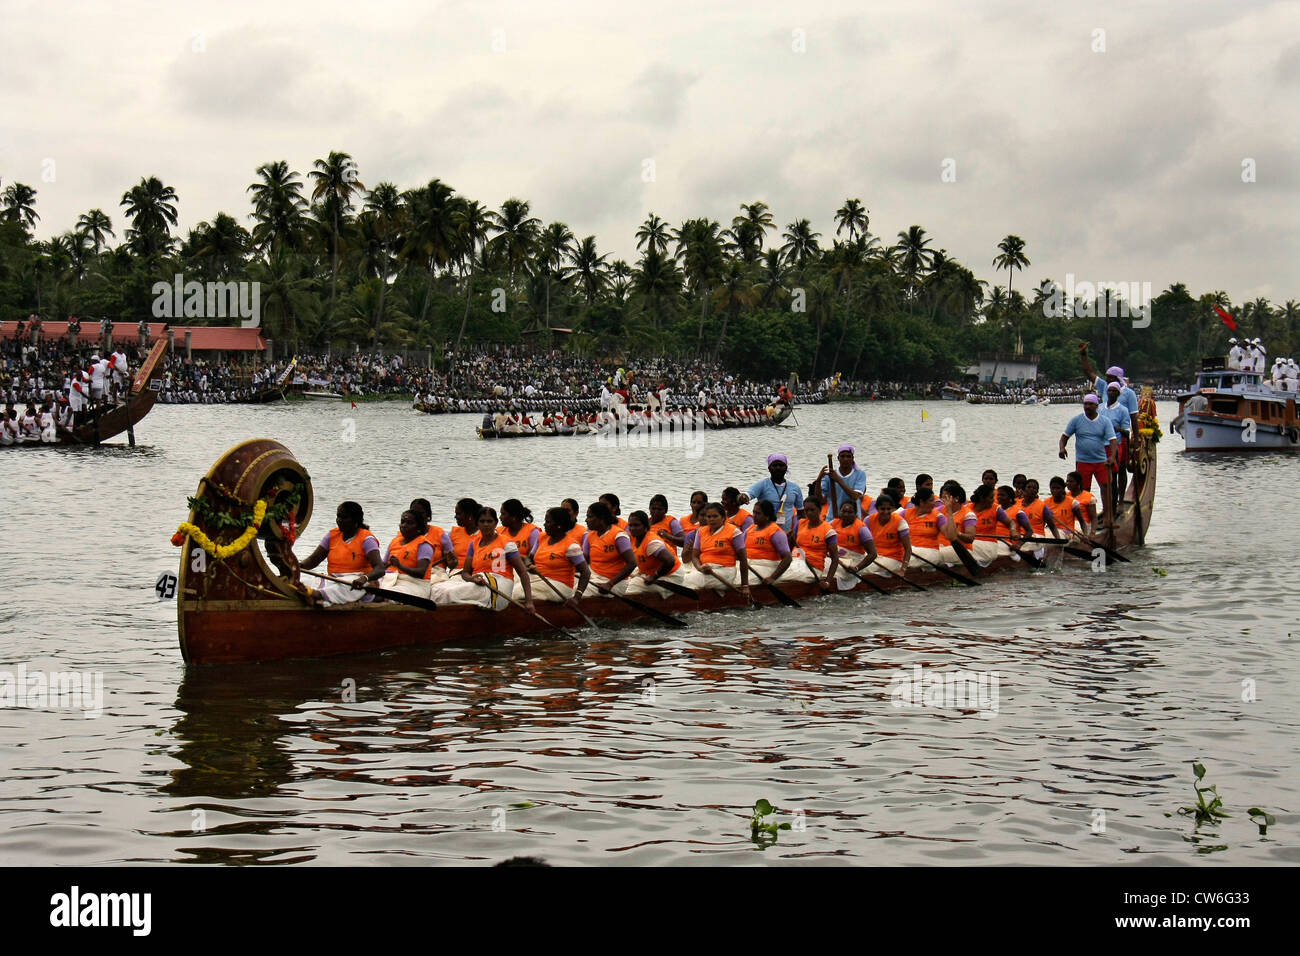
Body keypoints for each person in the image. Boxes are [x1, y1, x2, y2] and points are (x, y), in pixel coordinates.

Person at [430, 506, 535, 611]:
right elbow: (466, 573)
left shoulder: (507, 544)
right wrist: (472, 578)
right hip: (479, 583)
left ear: (495, 523)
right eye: (482, 521)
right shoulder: (474, 544)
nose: (486, 525)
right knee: (436, 588)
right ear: (477, 523)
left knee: (449, 593)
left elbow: (522, 573)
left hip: (499, 587)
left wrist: (529, 602)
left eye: (489, 521)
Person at [299, 501, 384, 604]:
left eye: (344, 517)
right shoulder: (332, 535)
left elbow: (380, 568)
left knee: (346, 584)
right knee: (303, 581)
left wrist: (364, 578)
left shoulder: (367, 539)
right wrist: (298, 566)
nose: (339, 520)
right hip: (332, 579)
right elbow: (313, 560)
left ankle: (319, 595)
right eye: (338, 516)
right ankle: (314, 594)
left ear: (355, 520)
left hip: (358, 581)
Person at [1059, 394, 1117, 521]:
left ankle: (1108, 517)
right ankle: (1085, 519)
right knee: (1083, 490)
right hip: (1083, 461)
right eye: (1085, 404)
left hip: (1101, 461)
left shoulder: (1105, 421)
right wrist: (1062, 448)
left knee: (1106, 488)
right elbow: (1064, 437)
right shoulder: (1076, 420)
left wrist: (1112, 457)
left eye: (1090, 404)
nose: (1087, 407)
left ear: (1097, 406)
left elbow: (1113, 441)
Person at [527, 506, 592, 605]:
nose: (544, 524)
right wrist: (529, 565)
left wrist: (577, 597)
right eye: (545, 521)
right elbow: (529, 559)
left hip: (560, 586)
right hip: (540, 579)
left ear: (559, 526)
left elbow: (586, 572)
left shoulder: (571, 546)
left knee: (519, 593)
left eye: (548, 522)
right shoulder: (542, 537)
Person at [682, 502, 751, 594]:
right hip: (705, 569)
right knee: (679, 573)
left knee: (685, 579)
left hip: (725, 572)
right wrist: (700, 568)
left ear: (723, 518)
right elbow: (695, 556)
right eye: (709, 517)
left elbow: (743, 559)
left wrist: (745, 586)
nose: (711, 519)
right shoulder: (700, 531)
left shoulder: (734, 532)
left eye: (715, 516)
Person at [624, 510, 685, 597]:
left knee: (631, 586)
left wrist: (654, 576)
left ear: (645, 527)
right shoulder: (633, 538)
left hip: (671, 575)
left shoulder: (651, 543)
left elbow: (670, 560)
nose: (632, 528)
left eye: (636, 525)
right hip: (650, 573)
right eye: (630, 525)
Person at [786, 495, 840, 590]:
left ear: (819, 510)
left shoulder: (828, 531)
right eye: (806, 511)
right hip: (795, 560)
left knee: (781, 577)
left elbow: (835, 559)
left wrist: (827, 582)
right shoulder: (800, 523)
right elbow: (790, 546)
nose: (809, 513)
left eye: (812, 510)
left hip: (812, 567)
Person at [377, 510, 435, 598]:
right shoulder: (394, 541)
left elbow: (421, 573)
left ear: (419, 528)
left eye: (409, 523)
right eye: (402, 522)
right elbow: (383, 565)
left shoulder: (424, 545)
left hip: (414, 584)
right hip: (390, 579)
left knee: (387, 594)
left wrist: (399, 566)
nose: (404, 525)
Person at [742, 453, 804, 535]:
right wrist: (743, 497)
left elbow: (801, 514)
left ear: (786, 468)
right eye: (774, 465)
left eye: (781, 465)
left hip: (786, 534)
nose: (778, 468)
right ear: (769, 468)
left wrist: (796, 532)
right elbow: (748, 494)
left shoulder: (795, 488)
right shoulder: (762, 485)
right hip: (764, 533)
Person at [584, 501, 636, 595]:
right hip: (594, 576)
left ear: (601, 519)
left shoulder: (619, 536)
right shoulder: (590, 535)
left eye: (590, 517)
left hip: (614, 582)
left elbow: (632, 563)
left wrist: (610, 584)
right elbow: (584, 560)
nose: (586, 520)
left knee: (578, 592)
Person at [744, 500, 793, 586]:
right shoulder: (749, 529)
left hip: (766, 568)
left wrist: (773, 578)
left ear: (767, 516)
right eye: (754, 512)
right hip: (749, 566)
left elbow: (788, 558)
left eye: (758, 513)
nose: (754, 516)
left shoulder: (776, 533)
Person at [832, 499, 878, 589]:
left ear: (856, 513)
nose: (846, 515)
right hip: (838, 557)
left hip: (853, 560)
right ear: (839, 512)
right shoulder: (833, 523)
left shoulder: (862, 529)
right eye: (843, 511)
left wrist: (857, 568)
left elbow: (873, 554)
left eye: (850, 512)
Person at [865, 492, 911, 577]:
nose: (886, 512)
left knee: (864, 568)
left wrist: (903, 569)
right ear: (877, 508)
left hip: (893, 558)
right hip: (874, 556)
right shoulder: (868, 520)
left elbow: (908, 548)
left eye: (888, 509)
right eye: (882, 509)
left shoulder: (900, 522)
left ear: (893, 508)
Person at [410, 497, 454, 582]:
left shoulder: (439, 533)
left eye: (421, 513)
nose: (417, 516)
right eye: (414, 513)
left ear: (428, 515)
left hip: (437, 574)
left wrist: (451, 559)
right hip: (410, 572)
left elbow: (452, 563)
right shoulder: (404, 535)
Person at [969, 483, 1015, 565]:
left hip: (988, 544)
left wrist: (1013, 530)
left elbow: (1011, 523)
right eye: (991, 498)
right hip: (971, 542)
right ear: (982, 498)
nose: (994, 500)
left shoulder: (996, 509)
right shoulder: (967, 509)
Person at [816, 444, 867, 513]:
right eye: (842, 456)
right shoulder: (829, 476)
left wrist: (838, 480)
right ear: (838, 458)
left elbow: (855, 496)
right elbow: (821, 500)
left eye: (848, 456)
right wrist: (818, 480)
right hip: (833, 516)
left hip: (853, 517)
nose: (845, 459)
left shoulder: (860, 474)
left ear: (852, 458)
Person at [905, 488, 947, 569]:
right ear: (921, 502)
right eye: (931, 500)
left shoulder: (938, 516)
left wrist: (949, 510)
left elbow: (950, 535)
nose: (934, 503)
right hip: (912, 551)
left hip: (930, 551)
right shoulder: (905, 513)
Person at [448, 497, 481, 569]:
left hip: (476, 573)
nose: (455, 517)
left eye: (458, 514)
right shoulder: (453, 533)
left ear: (469, 515)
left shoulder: (485, 534)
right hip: (455, 574)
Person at [1065, 471, 1097, 537]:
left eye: (1071, 482)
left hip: (1083, 525)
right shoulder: (1065, 496)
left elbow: (1094, 518)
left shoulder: (1089, 497)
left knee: (1071, 532)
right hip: (1068, 525)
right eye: (1067, 481)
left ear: (1078, 483)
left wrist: (1093, 532)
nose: (1068, 484)